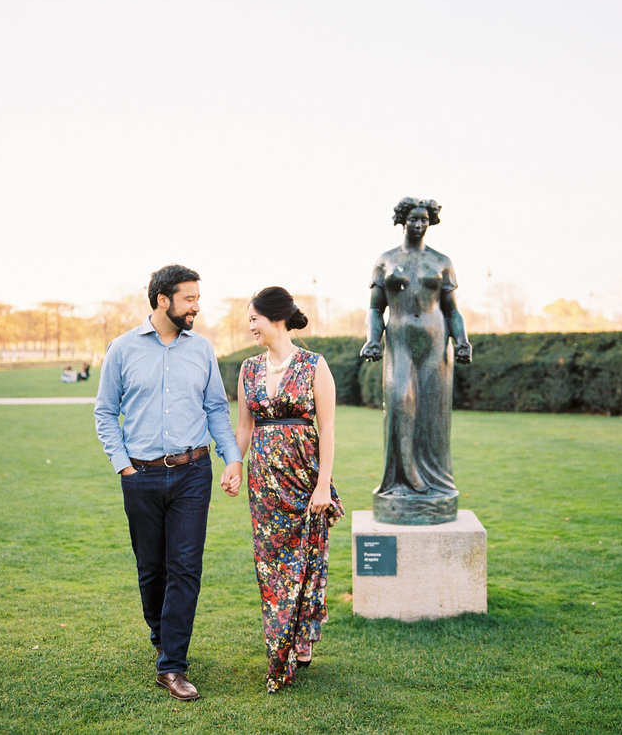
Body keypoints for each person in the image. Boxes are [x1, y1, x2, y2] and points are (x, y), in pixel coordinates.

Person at [94, 264, 243, 702]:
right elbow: (105, 412)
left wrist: (231, 458)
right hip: (140, 475)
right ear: (163, 300)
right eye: (190, 298)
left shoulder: (202, 350)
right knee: (151, 570)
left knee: (184, 566)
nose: (198, 306)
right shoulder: (121, 350)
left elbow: (216, 408)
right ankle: (163, 637)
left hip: (193, 472)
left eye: (198, 297)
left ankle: (172, 664)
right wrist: (124, 466)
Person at [234, 286, 344, 693]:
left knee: (306, 561)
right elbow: (244, 428)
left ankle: (299, 639)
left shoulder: (315, 366)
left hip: (305, 480)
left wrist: (322, 487)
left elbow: (328, 429)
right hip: (264, 486)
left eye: (254, 319)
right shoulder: (248, 370)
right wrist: (234, 463)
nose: (250, 327)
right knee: (272, 568)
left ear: (276, 319)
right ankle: (279, 649)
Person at [360, 197, 472, 524]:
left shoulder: (441, 261)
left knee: (433, 415)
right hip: (399, 341)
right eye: (413, 218)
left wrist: (462, 341)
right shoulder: (386, 260)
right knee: (399, 403)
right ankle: (400, 483)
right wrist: (372, 340)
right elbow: (374, 308)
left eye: (424, 218)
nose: (419, 224)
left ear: (431, 222)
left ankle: (435, 485)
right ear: (402, 221)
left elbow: (452, 309)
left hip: (436, 343)